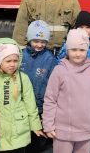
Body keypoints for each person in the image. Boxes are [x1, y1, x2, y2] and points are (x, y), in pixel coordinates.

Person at [43, 29, 90, 153]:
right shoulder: (59, 71)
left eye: (82, 50)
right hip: (62, 131)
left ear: (87, 50)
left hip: (86, 130)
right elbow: (50, 99)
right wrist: (48, 124)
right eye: (74, 50)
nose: (78, 54)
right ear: (67, 50)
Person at [0, 38, 44, 152]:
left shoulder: (23, 78)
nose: (12, 64)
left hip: (19, 131)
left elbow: (30, 103)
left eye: (15, 61)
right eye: (8, 61)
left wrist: (35, 125)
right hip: (0, 132)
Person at [20, 20, 57, 152]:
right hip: (22, 107)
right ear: (29, 39)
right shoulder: (20, 56)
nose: (39, 45)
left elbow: (54, 85)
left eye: (43, 42)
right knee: (25, 141)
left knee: (40, 143)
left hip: (41, 108)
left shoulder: (50, 59)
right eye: (36, 41)